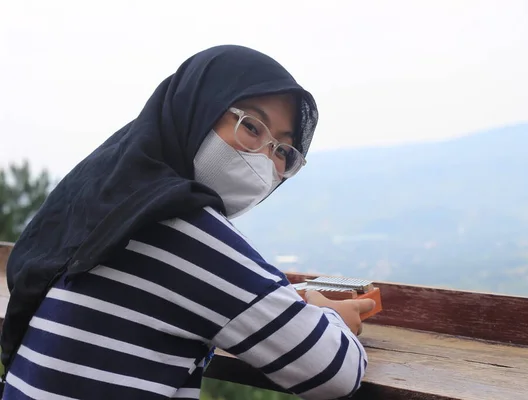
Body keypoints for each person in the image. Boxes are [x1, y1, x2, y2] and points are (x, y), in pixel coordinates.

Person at [0, 45, 375, 399]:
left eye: (282, 150)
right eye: (251, 126)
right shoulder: (182, 229)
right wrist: (335, 317)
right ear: (195, 110)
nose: (264, 159)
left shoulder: (100, 204)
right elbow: (334, 371)